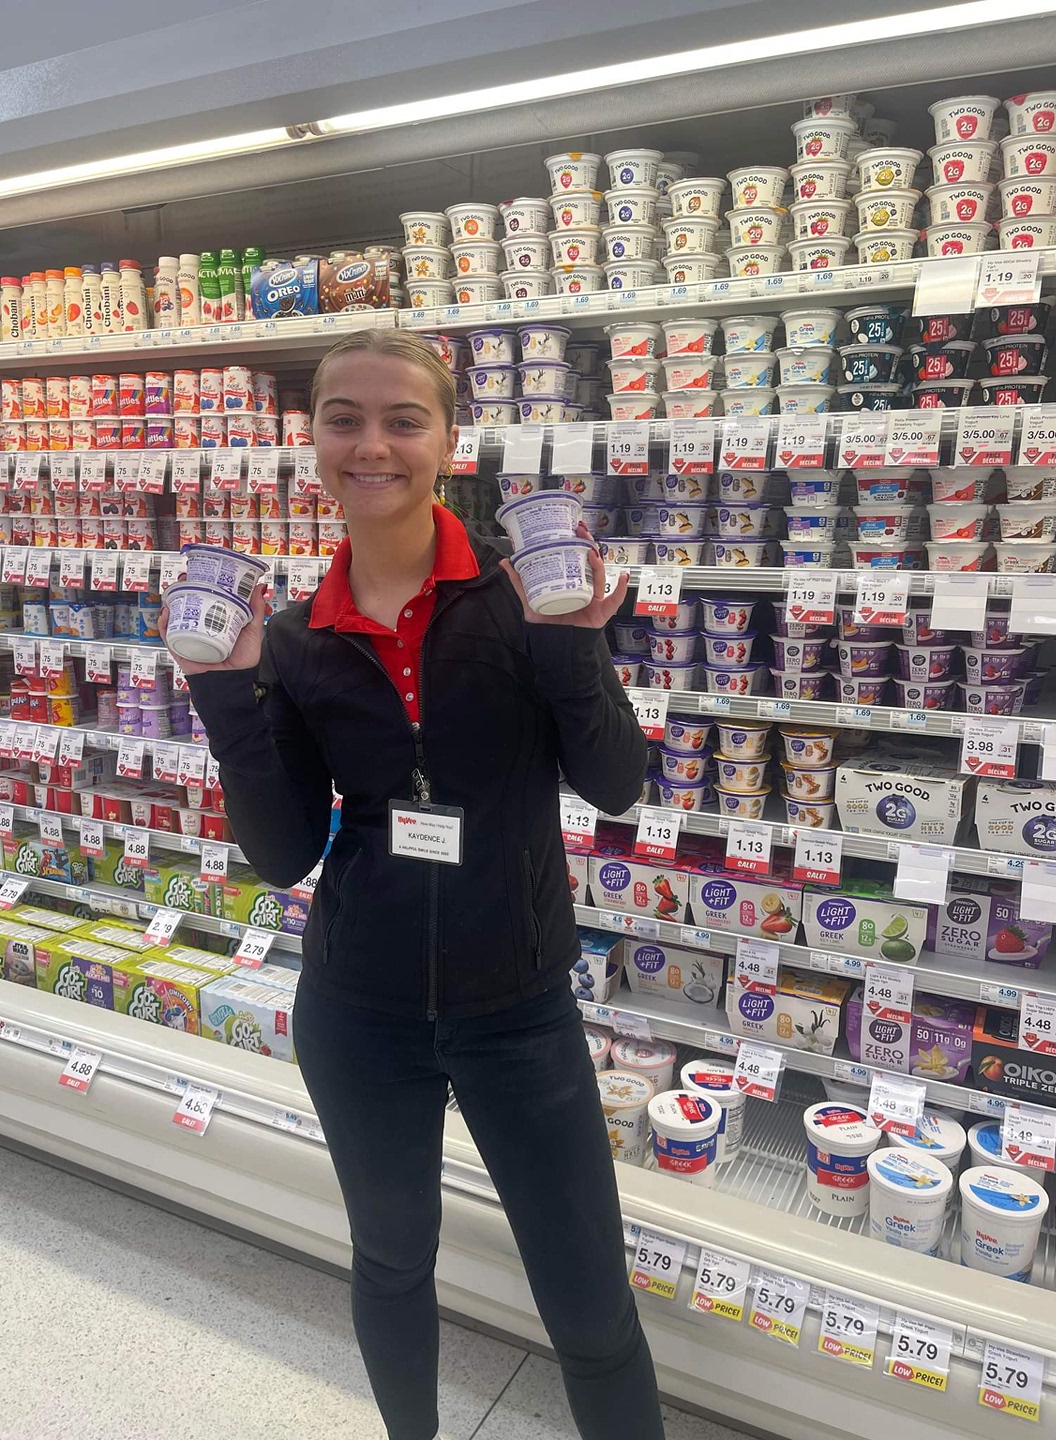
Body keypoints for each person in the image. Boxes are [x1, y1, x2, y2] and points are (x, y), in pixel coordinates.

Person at [169, 329, 664, 1440]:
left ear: (448, 442)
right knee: (391, 1264)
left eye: (404, 420)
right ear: (313, 440)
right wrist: (227, 696)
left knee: (590, 1304)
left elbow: (617, 785)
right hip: (359, 1010)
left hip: (519, 1011)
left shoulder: (522, 594)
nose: (372, 445)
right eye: (343, 419)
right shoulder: (292, 637)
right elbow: (283, 855)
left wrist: (574, 646)